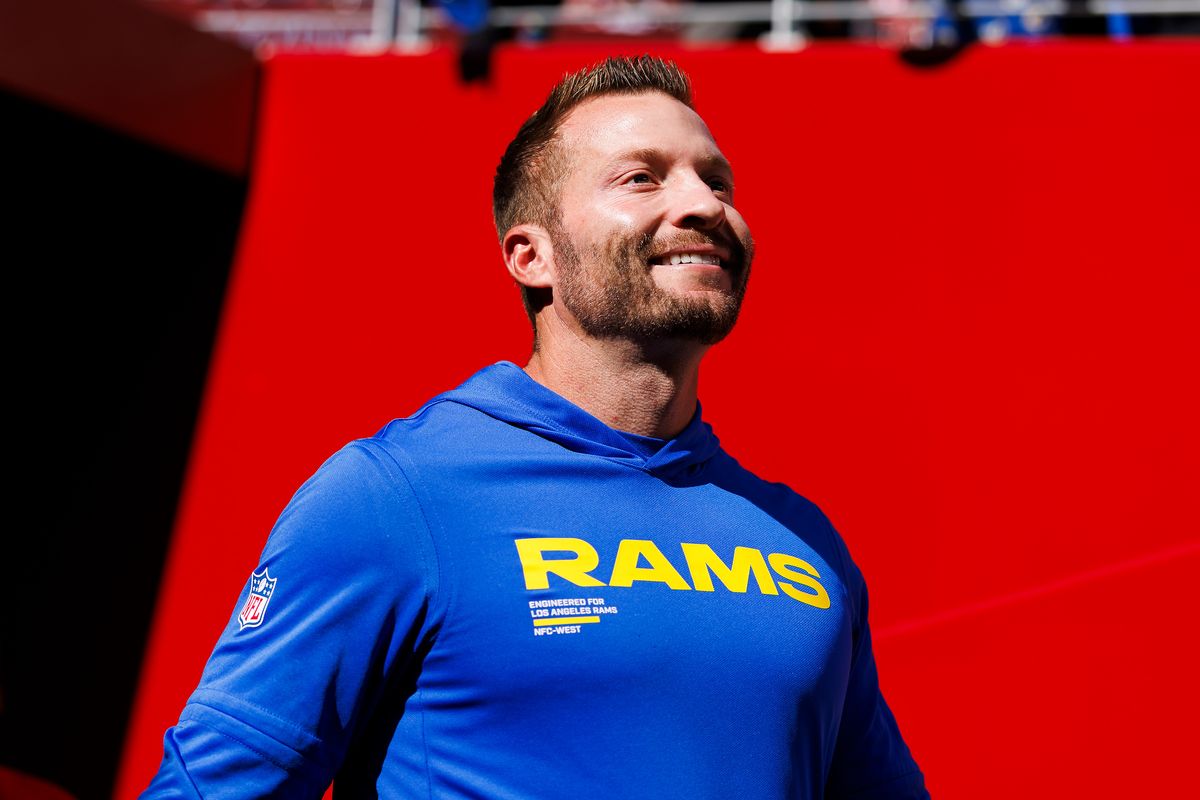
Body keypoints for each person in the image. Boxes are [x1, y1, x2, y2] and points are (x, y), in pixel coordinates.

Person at [144, 55, 929, 799]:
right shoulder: (395, 498)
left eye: (716, 180)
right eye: (641, 177)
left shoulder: (804, 544)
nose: (703, 205)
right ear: (531, 256)